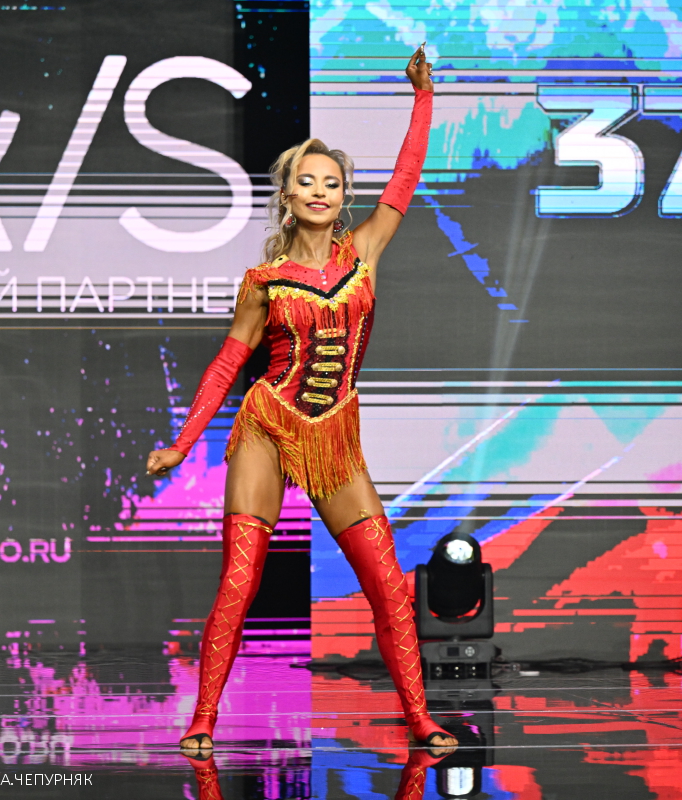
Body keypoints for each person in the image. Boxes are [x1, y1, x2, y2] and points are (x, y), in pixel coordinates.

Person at [146, 45, 457, 753]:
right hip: (268, 426)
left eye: (333, 183)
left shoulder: (365, 253)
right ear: (286, 195)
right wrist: (183, 443)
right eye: (307, 181)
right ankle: (203, 720)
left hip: (334, 434)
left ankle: (421, 719)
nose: (321, 191)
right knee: (241, 579)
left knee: (388, 584)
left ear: (344, 197)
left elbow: (406, 177)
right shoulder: (263, 281)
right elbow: (229, 362)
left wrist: (423, 96)